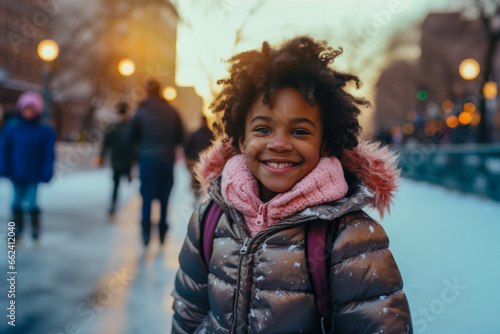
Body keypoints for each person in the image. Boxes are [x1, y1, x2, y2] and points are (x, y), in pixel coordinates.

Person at [172, 36, 413, 333]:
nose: (279, 144)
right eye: (263, 128)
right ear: (241, 139)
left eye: (299, 131)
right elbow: (189, 312)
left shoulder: (351, 237)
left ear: (326, 145)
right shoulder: (209, 217)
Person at [125, 79, 184, 246]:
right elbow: (181, 137)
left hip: (148, 160)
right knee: (165, 197)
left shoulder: (140, 112)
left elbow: (129, 138)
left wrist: (138, 155)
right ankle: (162, 229)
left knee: (147, 197)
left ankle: (145, 230)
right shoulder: (172, 112)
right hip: (167, 159)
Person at [0, 91, 56, 242]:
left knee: (32, 202)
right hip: (15, 172)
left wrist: (47, 170)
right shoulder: (12, 126)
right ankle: (15, 232)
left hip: (34, 173)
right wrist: (3, 167)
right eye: (26, 109)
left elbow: (48, 153)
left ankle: (35, 229)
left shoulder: (43, 129)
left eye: (31, 109)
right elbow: (4, 148)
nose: (28, 113)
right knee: (15, 202)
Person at [96, 102, 135, 216]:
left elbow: (106, 144)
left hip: (122, 160)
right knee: (118, 184)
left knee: (117, 184)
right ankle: (116, 206)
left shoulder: (117, 126)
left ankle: (117, 206)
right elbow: (106, 144)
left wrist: (102, 156)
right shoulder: (129, 127)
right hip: (123, 161)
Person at [184, 115, 214, 198]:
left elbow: (187, 148)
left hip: (196, 162)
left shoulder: (195, 134)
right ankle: (202, 198)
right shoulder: (211, 134)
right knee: (205, 182)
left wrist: (189, 159)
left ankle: (197, 197)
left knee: (196, 182)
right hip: (206, 163)